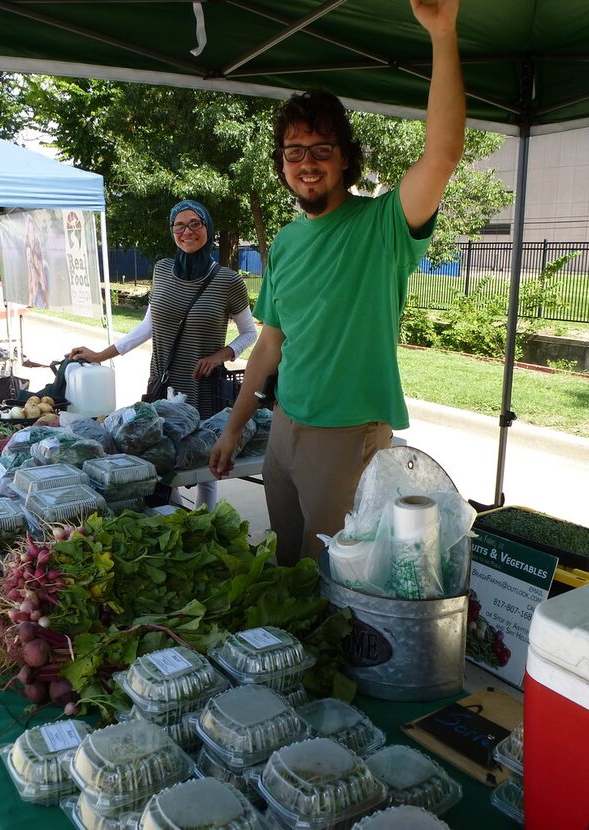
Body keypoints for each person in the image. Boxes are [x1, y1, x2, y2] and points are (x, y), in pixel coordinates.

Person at [209, 0, 465, 566]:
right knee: (284, 564)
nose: (306, 162)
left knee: (334, 579)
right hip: (286, 426)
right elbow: (269, 345)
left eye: (321, 150)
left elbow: (442, 155)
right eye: (294, 151)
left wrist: (442, 34)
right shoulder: (285, 241)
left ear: (345, 159)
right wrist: (234, 428)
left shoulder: (383, 226)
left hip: (348, 434)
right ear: (281, 163)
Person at [69, 199, 258, 509]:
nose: (187, 232)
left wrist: (222, 354)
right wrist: (100, 355)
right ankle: (172, 516)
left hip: (203, 386)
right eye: (179, 225)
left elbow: (250, 333)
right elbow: (148, 326)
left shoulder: (228, 280)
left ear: (207, 228)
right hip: (163, 383)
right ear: (172, 231)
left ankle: (205, 522)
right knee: (161, 455)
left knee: (202, 462)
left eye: (194, 224)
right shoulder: (163, 270)